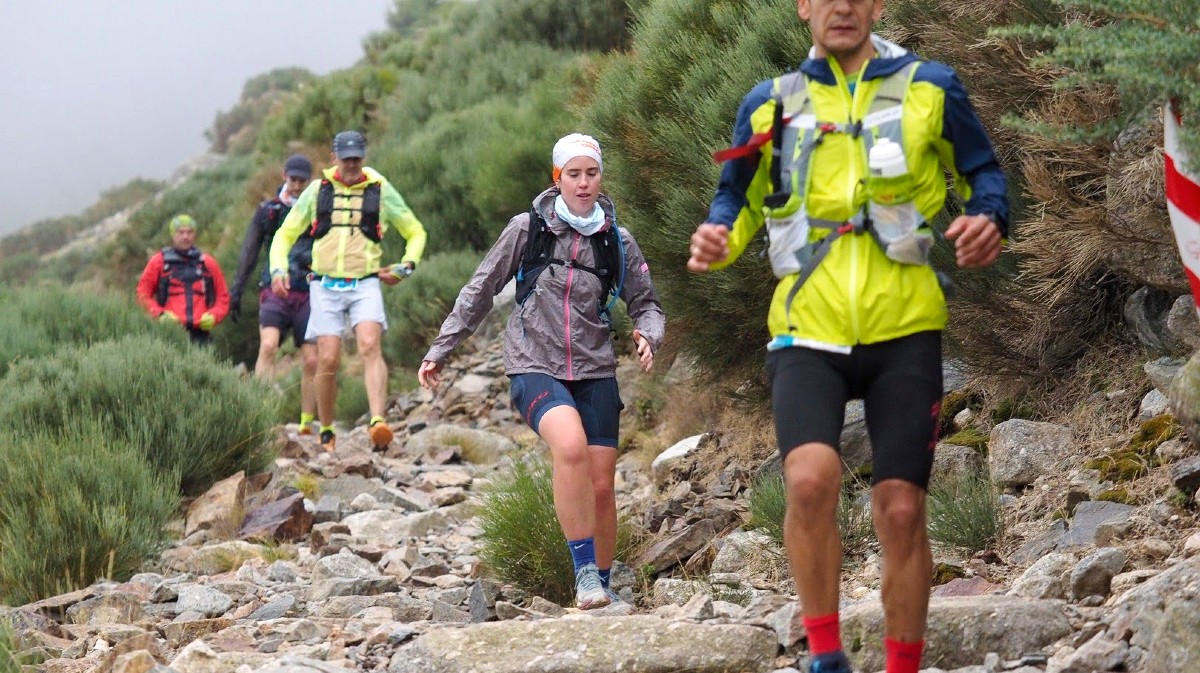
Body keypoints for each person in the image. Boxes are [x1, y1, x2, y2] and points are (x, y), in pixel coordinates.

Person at [687, 2, 1009, 672]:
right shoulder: (769, 103)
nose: (841, 5)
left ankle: (901, 664)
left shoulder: (932, 85)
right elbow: (736, 199)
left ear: (878, 5)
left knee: (898, 509)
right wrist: (718, 238)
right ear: (803, 5)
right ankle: (826, 654)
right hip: (807, 322)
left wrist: (989, 217)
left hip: (906, 325)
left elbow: (985, 174)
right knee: (808, 479)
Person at [418, 133, 664, 610]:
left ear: (601, 177)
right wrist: (440, 349)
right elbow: (480, 289)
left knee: (600, 481)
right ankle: (585, 575)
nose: (584, 183)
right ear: (557, 178)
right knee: (569, 447)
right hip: (534, 362)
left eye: (591, 173)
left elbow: (647, 303)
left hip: (595, 367)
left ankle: (605, 588)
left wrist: (646, 335)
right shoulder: (527, 228)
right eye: (573, 174)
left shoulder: (618, 239)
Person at [269, 131, 427, 452]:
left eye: (357, 158)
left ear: (363, 157)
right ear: (334, 158)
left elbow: (415, 230)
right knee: (328, 357)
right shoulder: (317, 191)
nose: (352, 164)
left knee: (370, 344)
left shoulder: (380, 190)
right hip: (324, 285)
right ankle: (326, 429)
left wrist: (406, 265)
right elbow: (284, 234)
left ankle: (378, 421)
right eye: (346, 158)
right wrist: (278, 269)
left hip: (366, 281)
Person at [230, 154, 318, 433]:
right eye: (293, 180)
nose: (297, 186)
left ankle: (307, 422)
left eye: (302, 181)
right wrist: (237, 289)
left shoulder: (318, 210)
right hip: (274, 288)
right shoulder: (268, 211)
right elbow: (250, 250)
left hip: (308, 290)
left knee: (311, 357)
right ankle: (260, 414)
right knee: (268, 346)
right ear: (284, 176)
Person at [136, 213, 231, 345]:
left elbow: (223, 297)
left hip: (201, 332)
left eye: (189, 232)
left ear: (194, 234)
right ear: (173, 234)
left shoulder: (207, 263)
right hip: (169, 331)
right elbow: (142, 294)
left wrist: (214, 315)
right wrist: (160, 314)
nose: (185, 236)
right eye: (180, 232)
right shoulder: (159, 262)